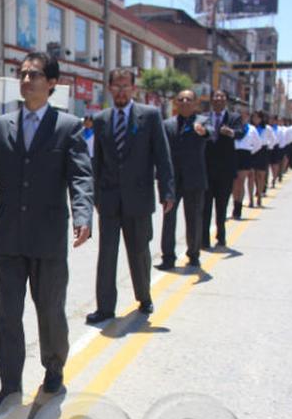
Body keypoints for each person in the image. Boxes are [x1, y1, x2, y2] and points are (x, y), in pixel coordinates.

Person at [0, 51, 94, 413]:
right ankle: (9, 382)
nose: (26, 80)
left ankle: (54, 368)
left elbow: (81, 177)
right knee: (7, 312)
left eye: (34, 75)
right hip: (8, 237)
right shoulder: (2, 126)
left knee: (49, 309)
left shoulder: (68, 126)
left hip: (48, 238)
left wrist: (83, 215)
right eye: (22, 74)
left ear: (52, 83)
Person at [86, 68, 174, 323]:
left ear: (133, 88)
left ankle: (144, 297)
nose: (121, 90)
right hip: (109, 199)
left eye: (126, 86)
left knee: (139, 252)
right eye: (117, 86)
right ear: (110, 88)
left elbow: (162, 156)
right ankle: (105, 307)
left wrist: (167, 191)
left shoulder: (150, 116)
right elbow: (97, 161)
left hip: (139, 198)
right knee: (107, 254)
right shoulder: (101, 119)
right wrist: (95, 197)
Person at [157, 90, 211, 270]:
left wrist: (203, 132)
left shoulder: (202, 122)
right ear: (175, 103)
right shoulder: (167, 124)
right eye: (181, 99)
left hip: (194, 180)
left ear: (196, 103)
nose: (185, 102)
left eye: (189, 99)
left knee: (194, 218)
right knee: (168, 219)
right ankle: (168, 257)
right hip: (172, 180)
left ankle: (193, 254)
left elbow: (209, 134)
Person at [202, 90, 242, 248]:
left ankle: (221, 236)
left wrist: (231, 132)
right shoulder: (204, 118)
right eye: (216, 97)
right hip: (206, 168)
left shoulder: (234, 117)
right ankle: (203, 239)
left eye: (222, 97)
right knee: (205, 206)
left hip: (225, 169)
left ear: (226, 100)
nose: (218, 99)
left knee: (221, 205)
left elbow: (240, 132)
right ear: (211, 100)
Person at [231, 110, 260, 219]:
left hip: (245, 155)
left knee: (241, 181)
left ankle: (239, 207)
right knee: (234, 183)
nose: (243, 118)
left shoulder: (252, 129)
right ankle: (235, 203)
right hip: (234, 154)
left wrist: (250, 151)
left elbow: (258, 144)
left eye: (245, 115)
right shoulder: (233, 128)